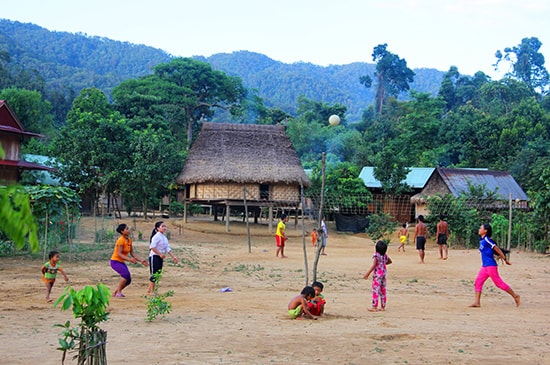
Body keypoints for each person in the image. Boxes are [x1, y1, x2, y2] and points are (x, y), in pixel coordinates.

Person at [469, 223, 520, 308]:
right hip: (485, 266)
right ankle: (477, 302)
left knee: (499, 283)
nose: (479, 229)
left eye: (480, 228)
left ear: (485, 231)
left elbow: (496, 248)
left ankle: (515, 296)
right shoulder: (482, 241)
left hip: (490, 266)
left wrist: (505, 259)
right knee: (478, 282)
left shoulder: (487, 240)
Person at [110, 223, 148, 298]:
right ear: (122, 231)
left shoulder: (129, 240)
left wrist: (141, 260)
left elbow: (132, 253)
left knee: (128, 280)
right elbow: (119, 254)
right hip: (115, 261)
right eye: (126, 229)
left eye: (128, 228)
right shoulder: (120, 240)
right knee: (125, 276)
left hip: (121, 262)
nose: (128, 230)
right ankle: (118, 292)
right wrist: (130, 260)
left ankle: (116, 292)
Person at [147, 221, 179, 294]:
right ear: (157, 228)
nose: (164, 228)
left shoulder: (164, 237)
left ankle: (149, 290)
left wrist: (173, 257)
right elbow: (152, 247)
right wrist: (160, 254)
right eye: (162, 226)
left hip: (160, 257)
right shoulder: (156, 236)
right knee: (154, 274)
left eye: (165, 226)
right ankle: (153, 291)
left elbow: (167, 248)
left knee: (158, 274)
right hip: (154, 256)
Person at [363, 240, 392, 312]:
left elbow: (374, 265)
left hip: (377, 275)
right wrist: (383, 264)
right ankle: (383, 306)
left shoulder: (376, 256)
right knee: (383, 290)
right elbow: (390, 261)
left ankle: (374, 306)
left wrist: (367, 273)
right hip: (383, 275)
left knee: (375, 290)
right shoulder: (385, 256)